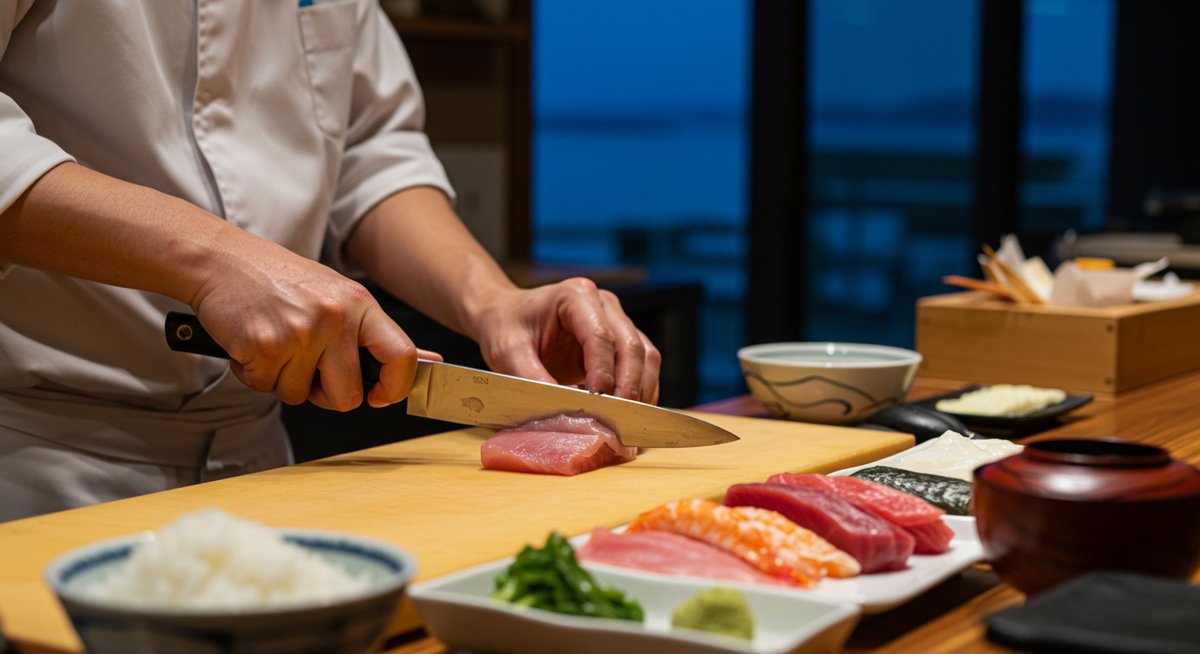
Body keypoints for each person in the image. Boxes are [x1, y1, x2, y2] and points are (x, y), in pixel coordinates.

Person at [0, 1, 661, 521]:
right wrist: (215, 261)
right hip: (37, 464)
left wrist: (493, 301)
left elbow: (371, 154)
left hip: (261, 465)